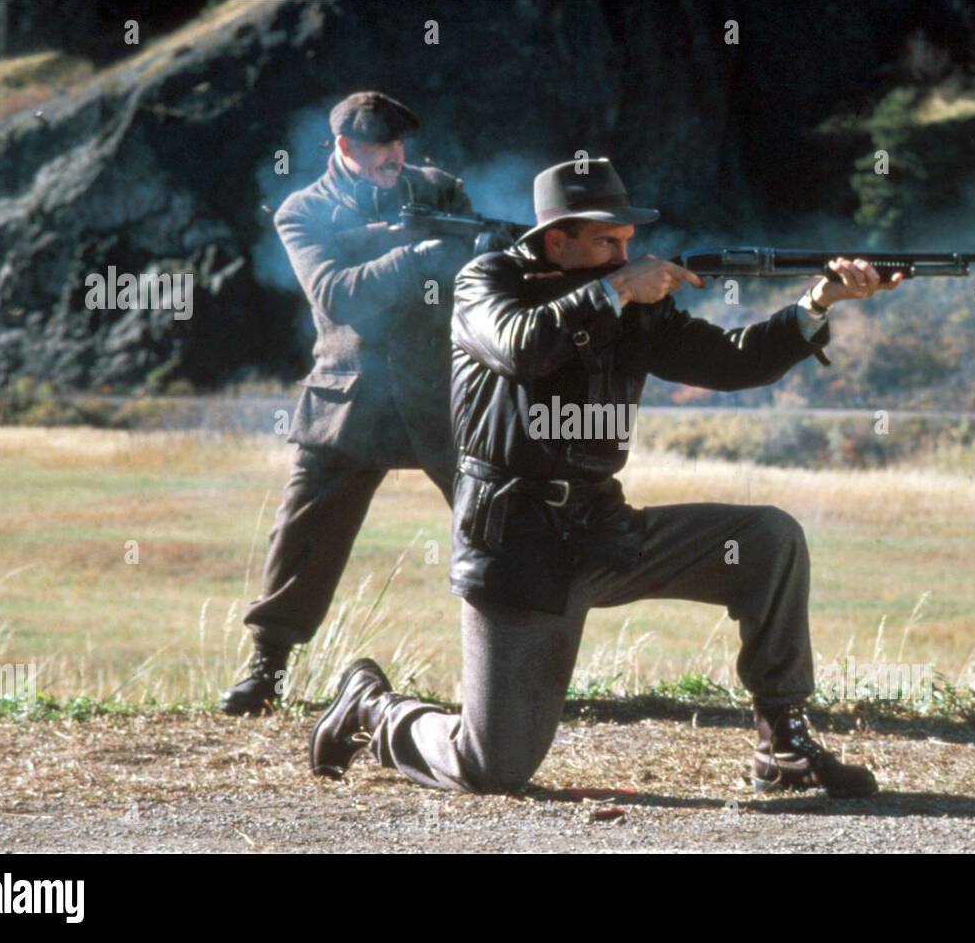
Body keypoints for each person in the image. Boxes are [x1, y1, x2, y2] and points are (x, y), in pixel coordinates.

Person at [309, 157, 901, 796]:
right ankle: (372, 709)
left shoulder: (630, 301)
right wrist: (618, 291)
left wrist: (817, 303)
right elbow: (521, 345)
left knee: (768, 540)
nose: (627, 254)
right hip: (516, 546)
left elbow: (732, 361)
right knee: (492, 767)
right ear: (556, 239)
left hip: (602, 529)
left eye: (628, 241)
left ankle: (784, 746)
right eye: (607, 241)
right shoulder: (487, 281)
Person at [221, 92, 472, 715]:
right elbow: (336, 295)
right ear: (343, 149)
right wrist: (411, 259)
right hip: (350, 397)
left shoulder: (440, 192)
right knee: (304, 536)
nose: (392, 156)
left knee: (495, 528)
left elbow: (476, 273)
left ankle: (515, 666)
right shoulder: (304, 211)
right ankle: (267, 668)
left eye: (397, 145)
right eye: (377, 147)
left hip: (438, 393)